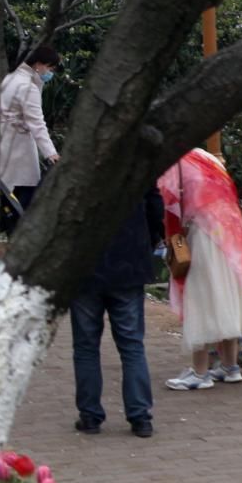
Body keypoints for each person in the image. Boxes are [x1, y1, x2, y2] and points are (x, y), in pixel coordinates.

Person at [159, 147, 242, 389]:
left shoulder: (173, 163)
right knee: (227, 295)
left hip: (203, 236)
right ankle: (230, 366)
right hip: (231, 233)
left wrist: (171, 240)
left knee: (201, 298)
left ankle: (200, 372)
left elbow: (170, 206)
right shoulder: (207, 158)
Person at [70, 186, 165, 437]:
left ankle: (90, 415)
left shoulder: (78, 161)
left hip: (84, 264)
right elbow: (155, 207)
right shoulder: (137, 158)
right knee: (132, 344)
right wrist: (151, 238)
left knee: (85, 346)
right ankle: (140, 416)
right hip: (128, 260)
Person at [0, 44, 60, 230]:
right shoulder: (28, 87)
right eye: (50, 67)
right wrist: (51, 153)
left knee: (6, 197)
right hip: (20, 150)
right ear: (39, 64)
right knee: (24, 201)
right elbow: (37, 124)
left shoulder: (9, 79)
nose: (50, 73)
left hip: (2, 144)